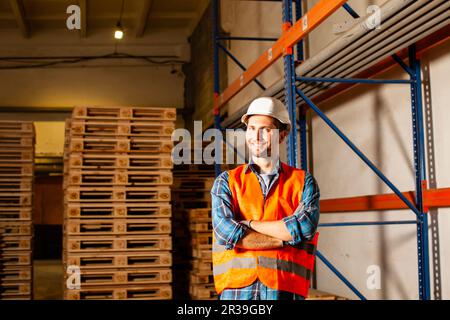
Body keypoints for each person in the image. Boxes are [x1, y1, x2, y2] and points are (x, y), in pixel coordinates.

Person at [211, 96, 320, 300]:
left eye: (266, 129)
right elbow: (227, 234)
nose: (256, 136)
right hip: (237, 293)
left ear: (282, 135)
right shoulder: (226, 182)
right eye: (251, 128)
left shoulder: (303, 182)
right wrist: (284, 239)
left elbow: (304, 228)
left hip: (284, 290)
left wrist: (248, 224)